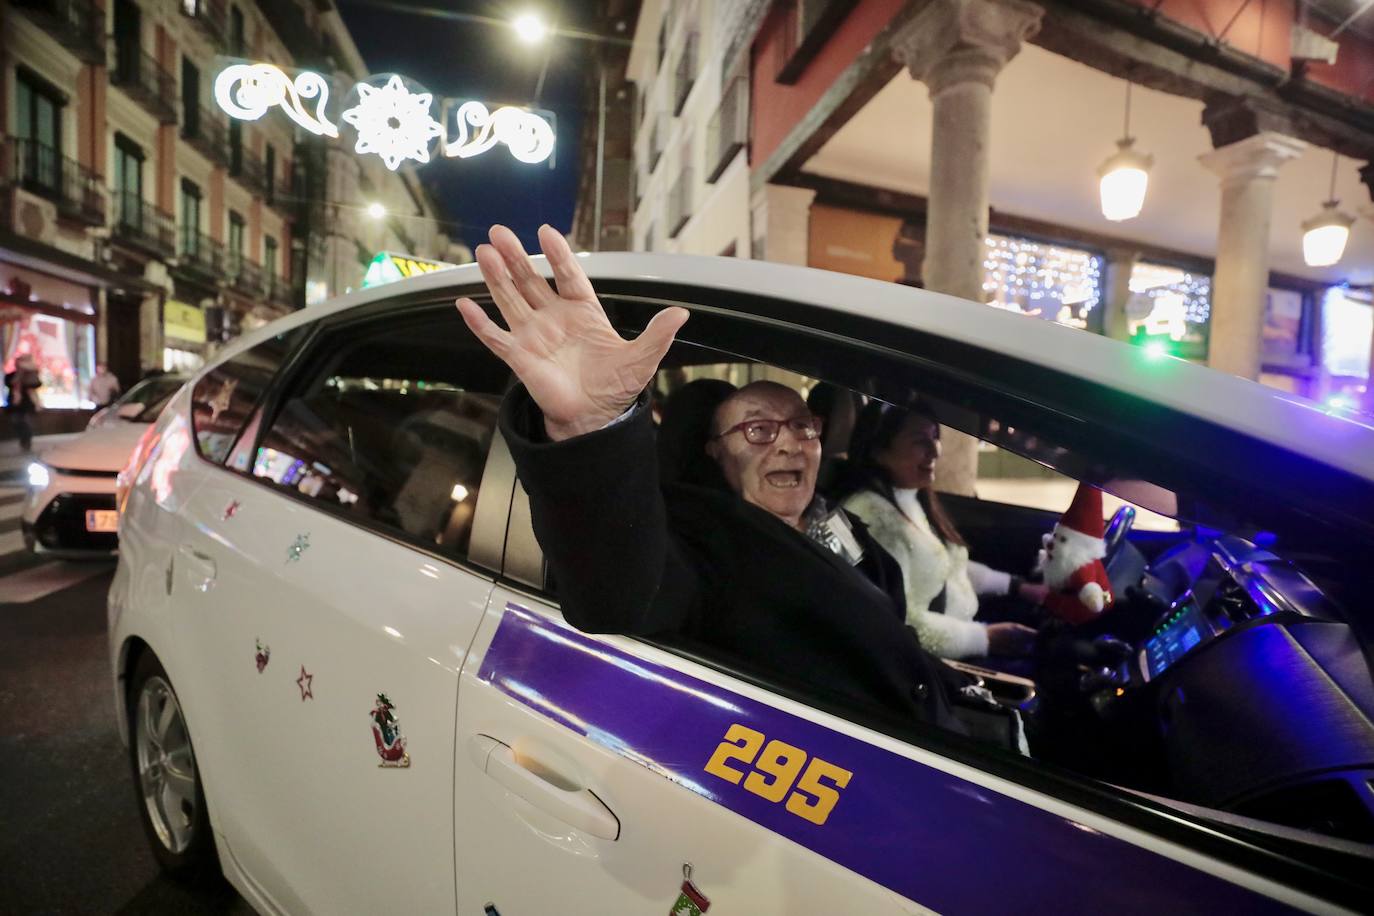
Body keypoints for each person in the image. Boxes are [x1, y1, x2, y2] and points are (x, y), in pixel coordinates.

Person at [455, 224, 966, 731]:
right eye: (759, 429)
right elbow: (617, 592)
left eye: (802, 427)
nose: (789, 443)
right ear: (715, 453)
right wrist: (591, 427)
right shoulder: (706, 539)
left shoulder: (838, 521)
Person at [838, 399, 1047, 662]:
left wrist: (1020, 587)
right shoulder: (871, 516)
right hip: (934, 661)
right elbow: (902, 621)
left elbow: (949, 566)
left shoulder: (909, 498)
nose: (935, 451)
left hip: (961, 635)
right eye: (920, 440)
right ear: (879, 450)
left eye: (935, 437)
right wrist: (985, 638)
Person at [5, 355, 42, 453]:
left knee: (26, 422)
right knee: (16, 422)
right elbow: (10, 383)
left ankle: (26, 442)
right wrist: (19, 374)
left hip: (27, 403)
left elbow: (36, 384)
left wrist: (30, 373)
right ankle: (23, 440)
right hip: (15, 404)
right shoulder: (11, 375)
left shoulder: (30, 375)